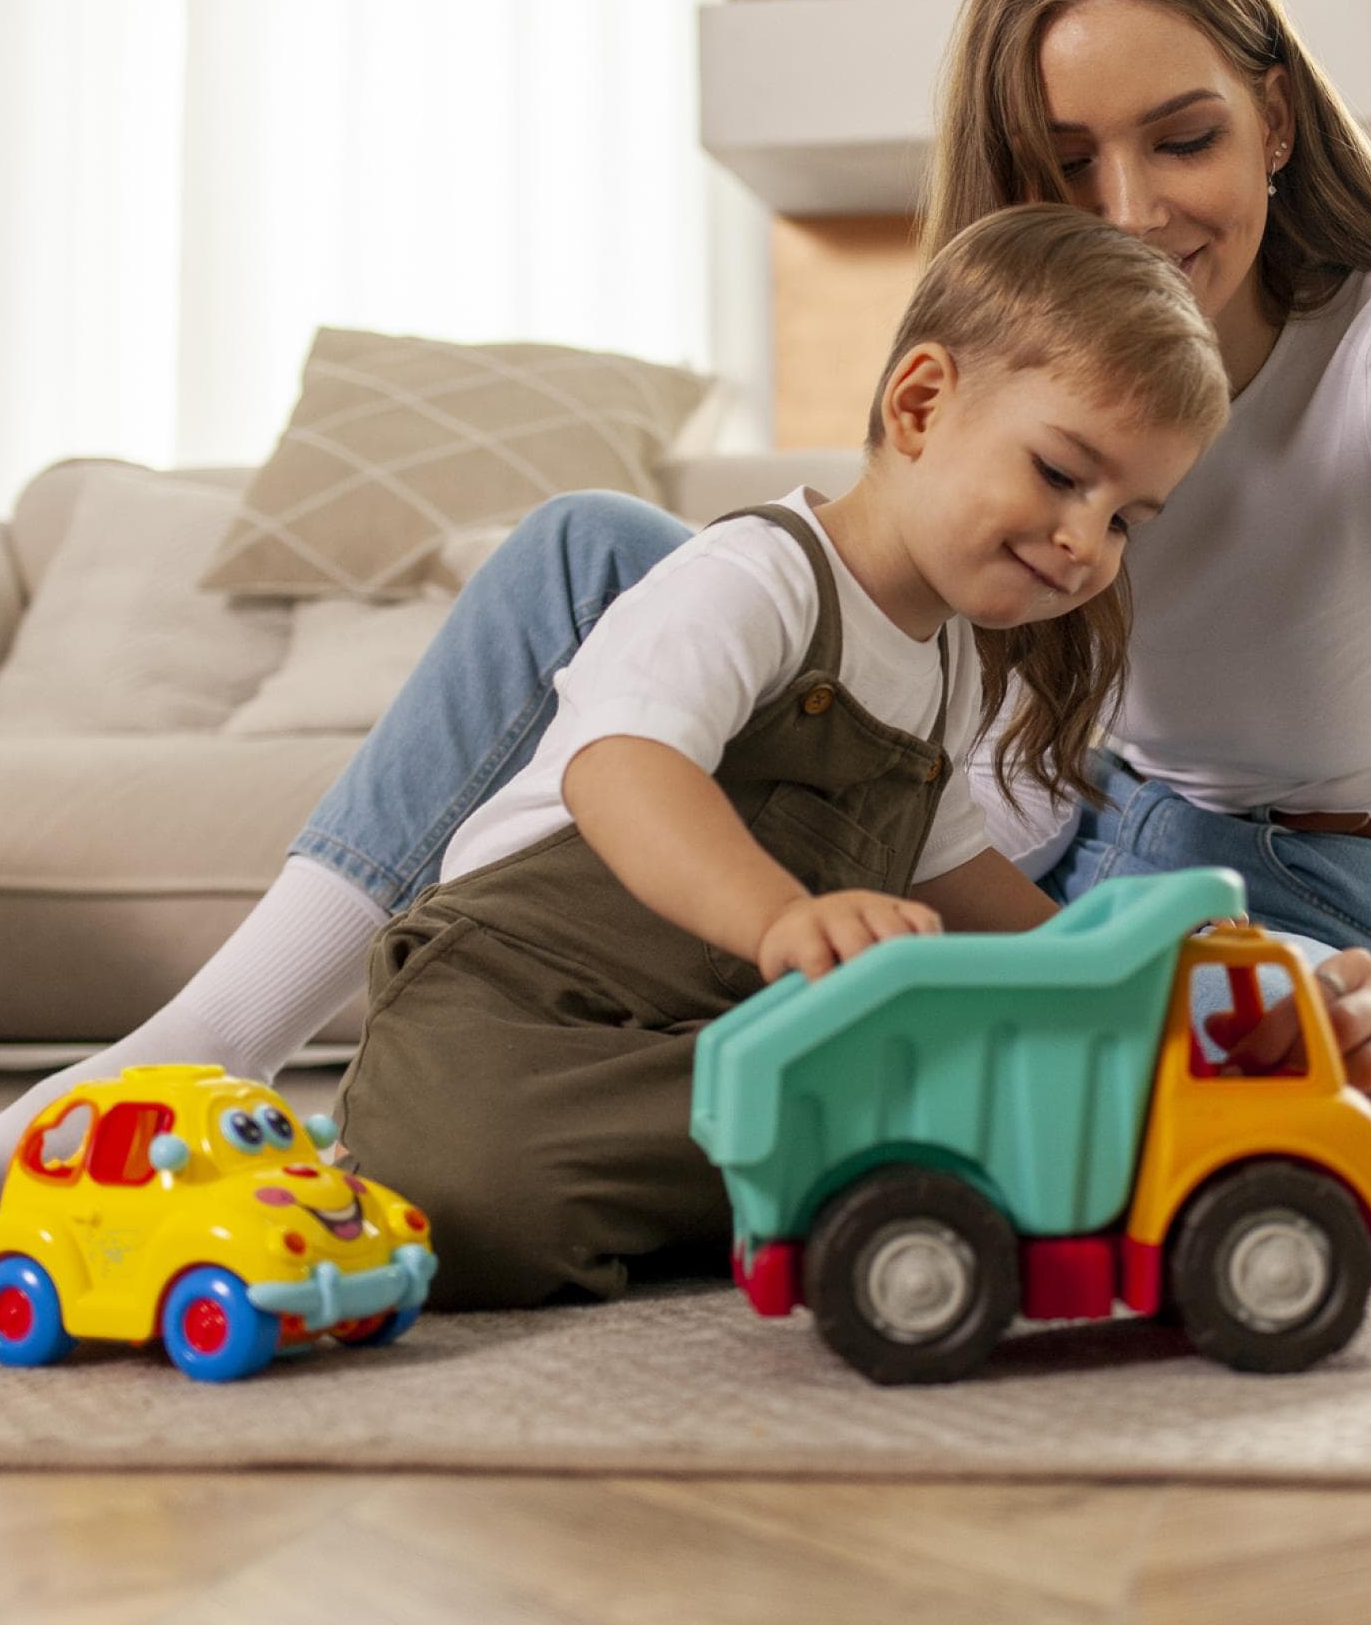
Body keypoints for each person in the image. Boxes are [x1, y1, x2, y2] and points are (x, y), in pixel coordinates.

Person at [0, 0, 1371, 1212]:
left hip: (1320, 900)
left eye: (1184, 137)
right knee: (592, 554)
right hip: (1075, 852)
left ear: (1276, 118)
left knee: (1170, 1177)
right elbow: (894, 671)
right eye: (1068, 167)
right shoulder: (1013, 390)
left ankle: (554, 1148)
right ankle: (201, 1050)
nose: (1132, 213)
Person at [334, 202, 1225, 1307]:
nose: (1087, 542)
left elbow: (949, 868)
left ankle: (746, 1193)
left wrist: (1107, 971)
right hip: (517, 1004)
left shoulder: (951, 664)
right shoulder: (755, 576)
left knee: (947, 1109)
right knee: (458, 1204)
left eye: (1127, 519)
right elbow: (620, 765)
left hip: (708, 1038)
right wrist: (777, 918)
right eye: (1058, 473)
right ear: (920, 404)